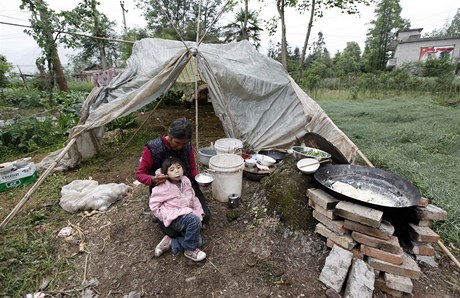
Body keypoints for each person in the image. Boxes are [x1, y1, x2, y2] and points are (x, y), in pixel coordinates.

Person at [135, 118, 210, 252]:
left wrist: (198, 179)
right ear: (169, 133)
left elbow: (192, 167)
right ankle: (166, 223)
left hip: (185, 188)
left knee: (205, 217)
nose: (180, 147)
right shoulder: (153, 148)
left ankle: (175, 238)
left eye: (184, 143)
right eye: (177, 143)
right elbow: (140, 174)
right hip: (165, 192)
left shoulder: (187, 146)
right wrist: (153, 179)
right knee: (174, 230)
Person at [149, 157, 206, 261]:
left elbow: (193, 198)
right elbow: (154, 205)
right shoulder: (163, 187)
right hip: (174, 217)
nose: (176, 171)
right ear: (165, 173)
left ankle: (171, 242)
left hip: (188, 214)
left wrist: (200, 213)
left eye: (178, 167)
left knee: (198, 241)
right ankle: (190, 250)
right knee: (193, 221)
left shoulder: (185, 181)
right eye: (172, 170)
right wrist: (165, 215)